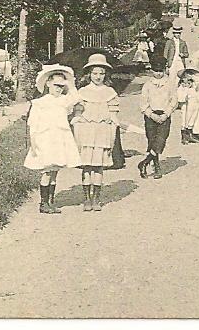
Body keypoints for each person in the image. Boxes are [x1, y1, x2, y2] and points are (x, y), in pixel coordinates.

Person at [72, 54, 142, 211]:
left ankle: (96, 198)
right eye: (95, 73)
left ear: (106, 75)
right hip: (87, 132)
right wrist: (77, 134)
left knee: (98, 166)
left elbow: (113, 117)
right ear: (89, 74)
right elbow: (77, 115)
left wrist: (114, 131)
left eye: (101, 73)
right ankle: (87, 199)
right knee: (87, 166)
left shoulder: (109, 92)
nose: (98, 77)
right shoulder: (82, 92)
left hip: (102, 132)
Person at [24, 64, 83, 214]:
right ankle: (43, 203)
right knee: (48, 171)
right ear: (48, 83)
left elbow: (75, 98)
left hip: (60, 138)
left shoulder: (63, 100)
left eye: (62, 86)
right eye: (56, 85)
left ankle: (51, 201)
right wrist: (33, 142)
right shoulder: (41, 103)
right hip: (46, 139)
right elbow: (33, 125)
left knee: (55, 170)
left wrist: (71, 84)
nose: (59, 88)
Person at [137, 71, 181, 179]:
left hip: (164, 115)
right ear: (152, 70)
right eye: (156, 71)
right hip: (151, 116)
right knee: (152, 141)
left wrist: (166, 114)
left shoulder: (170, 84)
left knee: (161, 139)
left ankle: (144, 162)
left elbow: (174, 100)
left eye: (161, 71)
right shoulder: (147, 85)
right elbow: (143, 102)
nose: (158, 73)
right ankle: (156, 167)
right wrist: (151, 115)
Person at [179, 68, 199, 144]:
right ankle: (184, 136)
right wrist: (184, 97)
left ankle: (190, 133)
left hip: (194, 105)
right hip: (186, 106)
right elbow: (180, 97)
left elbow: (198, 83)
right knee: (185, 119)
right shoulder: (182, 88)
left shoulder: (193, 86)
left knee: (193, 118)